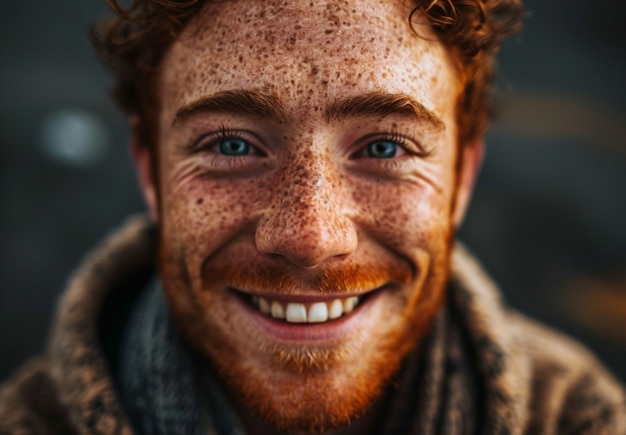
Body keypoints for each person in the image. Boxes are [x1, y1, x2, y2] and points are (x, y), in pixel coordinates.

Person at [1, 0, 624, 433]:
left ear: (461, 177)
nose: (309, 236)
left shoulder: (581, 418)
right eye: (232, 144)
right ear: (150, 170)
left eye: (384, 147)